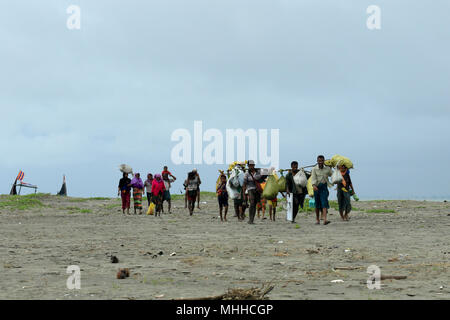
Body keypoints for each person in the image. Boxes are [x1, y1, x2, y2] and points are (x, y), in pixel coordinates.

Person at [311, 155, 333, 225]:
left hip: (324, 187)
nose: (320, 162)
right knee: (317, 205)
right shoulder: (314, 169)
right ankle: (317, 220)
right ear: (317, 161)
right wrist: (314, 185)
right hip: (317, 187)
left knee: (324, 203)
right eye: (319, 161)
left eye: (322, 161)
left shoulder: (327, 169)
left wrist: (333, 168)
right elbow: (313, 178)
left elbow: (332, 174)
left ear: (324, 161)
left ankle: (325, 220)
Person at [243, 160, 262, 224]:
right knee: (252, 203)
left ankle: (252, 219)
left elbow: (266, 173)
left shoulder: (258, 171)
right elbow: (244, 184)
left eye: (252, 165)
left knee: (255, 204)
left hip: (257, 190)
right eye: (250, 165)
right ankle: (250, 219)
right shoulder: (247, 173)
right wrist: (243, 194)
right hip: (250, 189)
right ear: (248, 166)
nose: (251, 166)